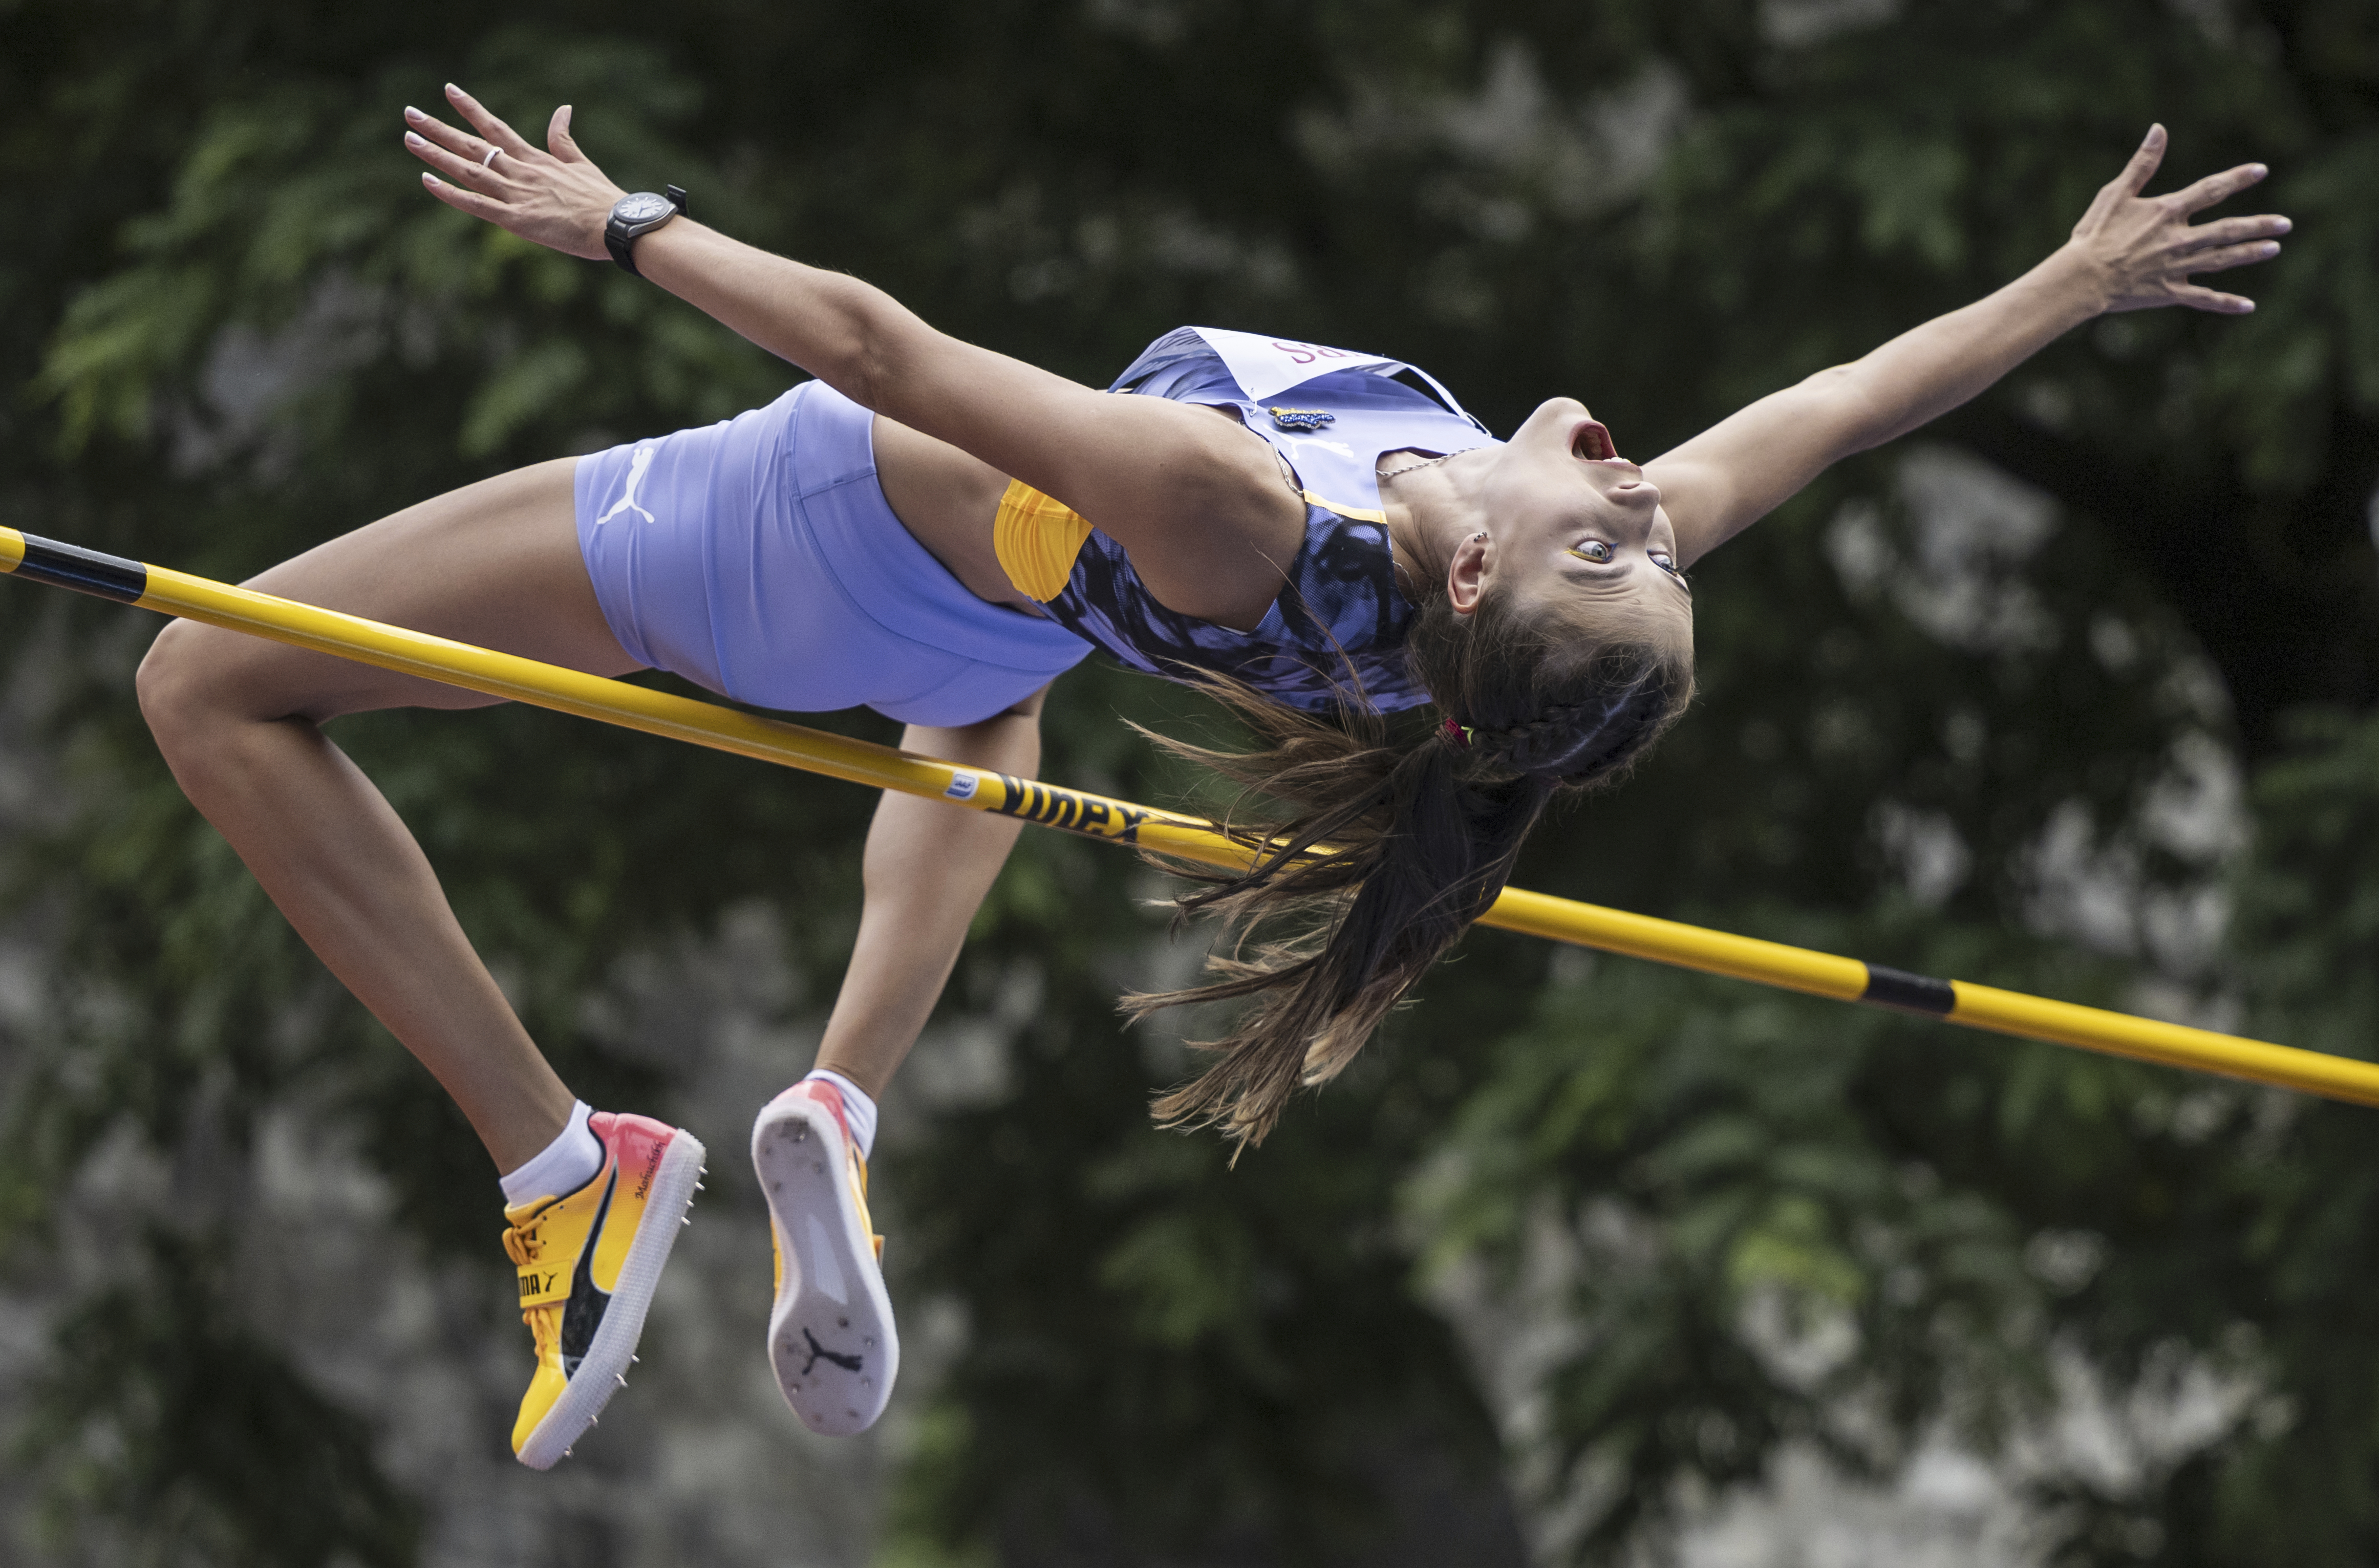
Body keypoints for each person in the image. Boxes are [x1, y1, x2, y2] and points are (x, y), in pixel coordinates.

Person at [132, 84, 2287, 1465]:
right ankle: (841, 1098)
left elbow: (880, 349)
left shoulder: (1228, 500)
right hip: (971, 628)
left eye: (1618, 534)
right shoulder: (1504, 599)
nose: (1645, 490)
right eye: (1660, 540)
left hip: (782, 537)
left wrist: (615, 219)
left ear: (1473, 571)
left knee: (211, 683)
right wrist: (2073, 283)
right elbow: (1836, 404)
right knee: (978, 738)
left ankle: (557, 1161)